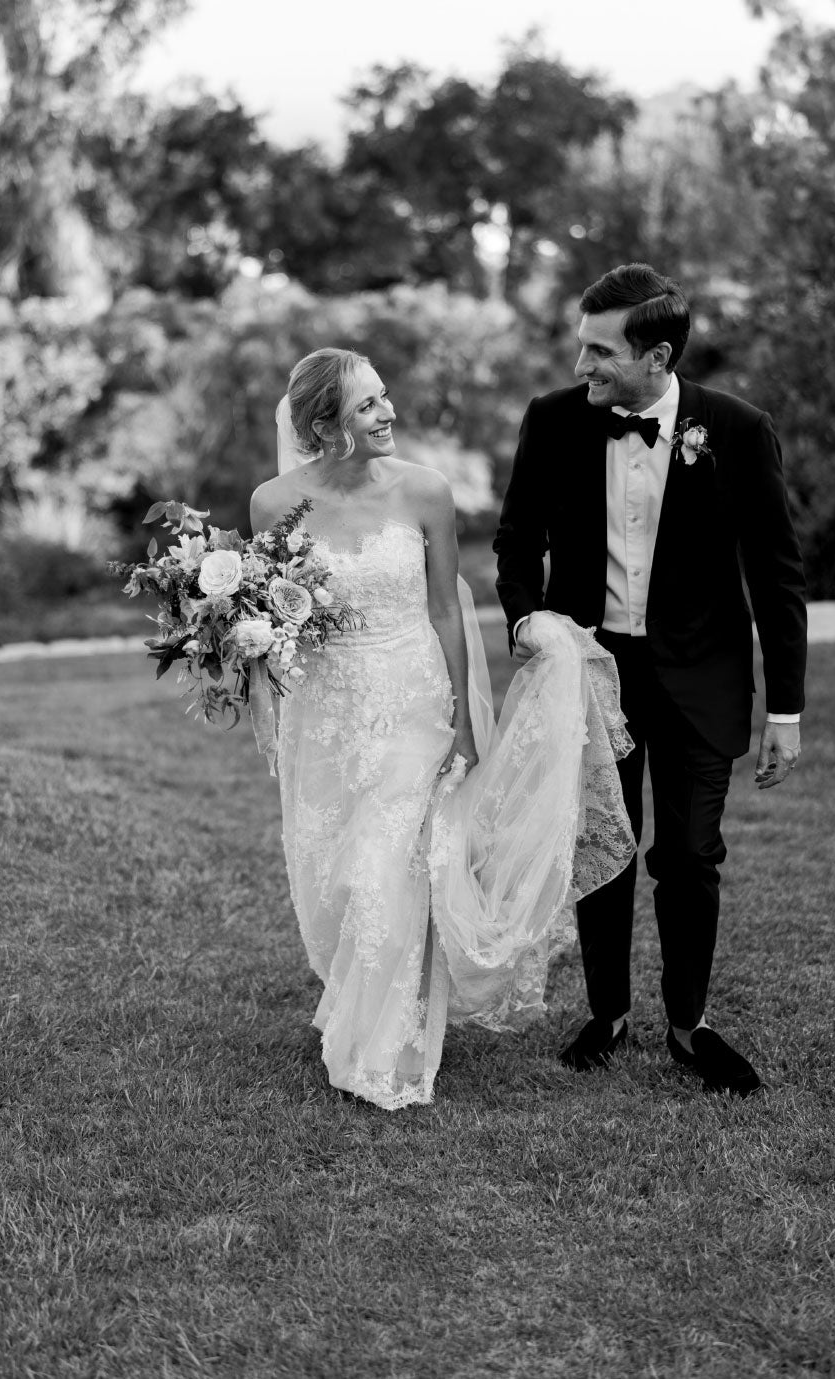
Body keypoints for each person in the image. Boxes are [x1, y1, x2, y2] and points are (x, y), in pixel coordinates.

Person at [251, 348, 636, 1111]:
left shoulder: (426, 490)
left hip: (412, 692)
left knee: (386, 863)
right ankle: (353, 994)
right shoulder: (272, 502)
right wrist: (245, 642)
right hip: (326, 709)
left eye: (384, 396)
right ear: (324, 425)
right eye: (367, 406)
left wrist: (459, 715)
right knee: (331, 868)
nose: (388, 411)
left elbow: (444, 609)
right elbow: (277, 608)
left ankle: (389, 1043)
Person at [495, 264, 807, 1097]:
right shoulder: (554, 421)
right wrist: (529, 621)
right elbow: (517, 542)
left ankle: (687, 1024)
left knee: (691, 853)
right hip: (593, 675)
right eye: (581, 345)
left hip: (703, 678)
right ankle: (607, 1013)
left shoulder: (738, 430)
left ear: (657, 355)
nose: (581, 364)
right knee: (603, 844)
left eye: (599, 350)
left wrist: (785, 709)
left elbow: (778, 577)